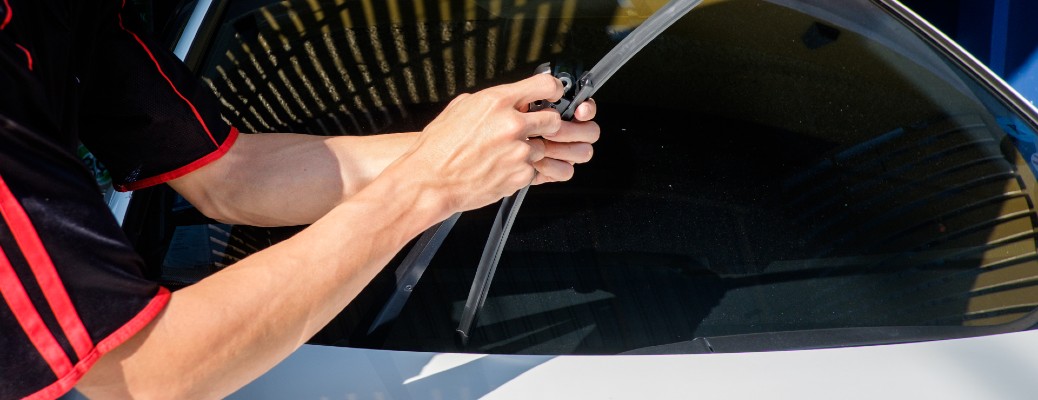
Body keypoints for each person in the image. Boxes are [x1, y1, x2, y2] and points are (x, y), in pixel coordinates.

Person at [0, 1, 599, 398]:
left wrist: (490, 143)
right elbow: (143, 371)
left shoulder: (62, 10)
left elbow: (229, 176)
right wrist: (430, 184)